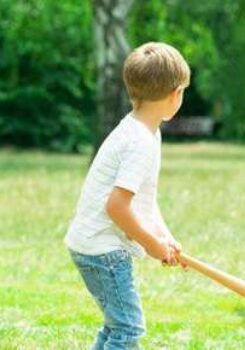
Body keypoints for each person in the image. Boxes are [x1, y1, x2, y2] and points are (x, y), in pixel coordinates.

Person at [65, 42, 190, 348]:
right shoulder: (139, 142)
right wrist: (151, 245)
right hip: (102, 250)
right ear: (175, 95)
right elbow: (117, 207)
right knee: (128, 329)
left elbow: (145, 200)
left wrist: (165, 237)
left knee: (116, 327)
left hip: (92, 245)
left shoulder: (146, 130)